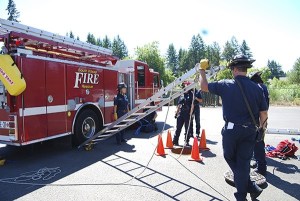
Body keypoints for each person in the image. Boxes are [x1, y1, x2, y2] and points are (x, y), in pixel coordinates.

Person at [199, 55, 268, 201]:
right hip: (250, 131)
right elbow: (263, 114)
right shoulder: (257, 88)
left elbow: (203, 87)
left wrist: (202, 70)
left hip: (232, 131)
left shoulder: (226, 84)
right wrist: (261, 131)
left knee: (230, 157)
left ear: (235, 69)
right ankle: (248, 188)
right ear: (245, 69)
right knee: (243, 162)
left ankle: (244, 193)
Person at [249, 71, 270, 176]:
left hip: (258, 120)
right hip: (263, 119)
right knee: (258, 143)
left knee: (258, 143)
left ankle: (261, 168)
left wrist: (261, 126)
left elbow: (261, 108)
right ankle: (258, 163)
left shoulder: (259, 88)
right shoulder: (263, 87)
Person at [172, 81, 194, 146]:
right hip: (181, 113)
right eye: (185, 85)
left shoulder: (191, 94)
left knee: (187, 128)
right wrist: (176, 113)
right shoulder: (182, 94)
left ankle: (186, 141)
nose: (186, 86)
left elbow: (192, 105)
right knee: (178, 128)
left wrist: (190, 114)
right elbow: (179, 104)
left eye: (187, 85)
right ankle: (175, 141)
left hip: (187, 113)